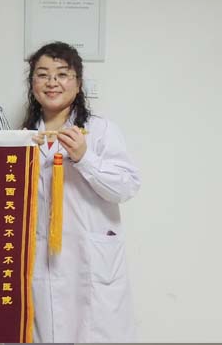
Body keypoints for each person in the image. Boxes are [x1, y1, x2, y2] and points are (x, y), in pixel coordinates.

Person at [23, 42, 141, 342]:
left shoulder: (101, 131)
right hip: (42, 258)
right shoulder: (24, 137)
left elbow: (126, 186)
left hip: (90, 257)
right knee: (46, 331)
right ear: (33, 84)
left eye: (62, 74)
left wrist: (85, 157)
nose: (52, 82)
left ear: (77, 84)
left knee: (92, 330)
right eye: (42, 75)